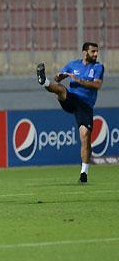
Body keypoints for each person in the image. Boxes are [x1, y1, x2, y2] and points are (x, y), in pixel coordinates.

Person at [36, 42, 104, 184]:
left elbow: (97, 84)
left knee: (85, 136)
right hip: (72, 99)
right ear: (85, 53)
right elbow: (58, 77)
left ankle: (84, 173)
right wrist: (59, 76)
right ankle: (43, 81)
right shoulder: (73, 65)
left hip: (85, 105)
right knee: (60, 89)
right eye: (93, 51)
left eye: (97, 51)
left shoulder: (98, 67)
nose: (96, 54)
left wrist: (79, 81)